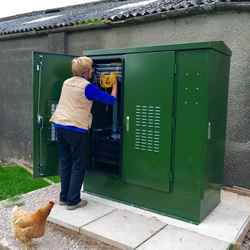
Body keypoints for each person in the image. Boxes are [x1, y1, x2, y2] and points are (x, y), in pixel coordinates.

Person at [50, 56, 117, 210]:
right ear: (87, 72)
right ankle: (73, 201)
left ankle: (64, 197)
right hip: (76, 128)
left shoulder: (66, 82)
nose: (93, 71)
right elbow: (111, 101)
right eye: (92, 69)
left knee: (65, 161)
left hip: (59, 125)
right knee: (79, 163)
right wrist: (114, 85)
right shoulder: (88, 87)